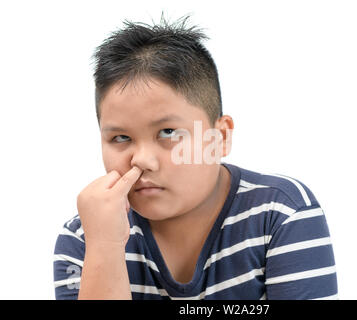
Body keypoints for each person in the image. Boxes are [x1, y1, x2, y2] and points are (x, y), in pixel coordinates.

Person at [53, 14, 338, 300]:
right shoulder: (83, 238)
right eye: (121, 138)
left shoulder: (281, 213)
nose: (141, 160)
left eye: (167, 132)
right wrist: (104, 246)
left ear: (220, 137)